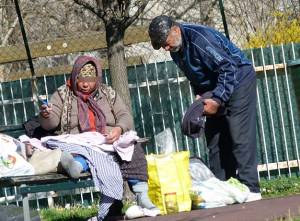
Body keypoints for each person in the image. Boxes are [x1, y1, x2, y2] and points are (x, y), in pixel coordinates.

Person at [148, 15, 261, 202]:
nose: (165, 48)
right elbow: (196, 75)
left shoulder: (200, 39)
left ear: (175, 30)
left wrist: (217, 99)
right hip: (215, 87)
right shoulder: (176, 50)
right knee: (215, 139)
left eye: (165, 43)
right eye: (161, 46)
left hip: (239, 80)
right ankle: (222, 186)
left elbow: (228, 67)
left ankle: (251, 188)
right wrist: (200, 96)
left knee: (239, 135)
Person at [39, 55, 159, 219]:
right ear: (75, 77)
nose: (86, 84)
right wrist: (46, 115)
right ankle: (75, 166)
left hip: (108, 140)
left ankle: (142, 197)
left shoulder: (107, 92)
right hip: (81, 141)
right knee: (87, 153)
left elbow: (125, 115)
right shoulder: (62, 94)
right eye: (81, 80)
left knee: (133, 149)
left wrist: (118, 128)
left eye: (91, 80)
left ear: (98, 79)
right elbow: (50, 125)